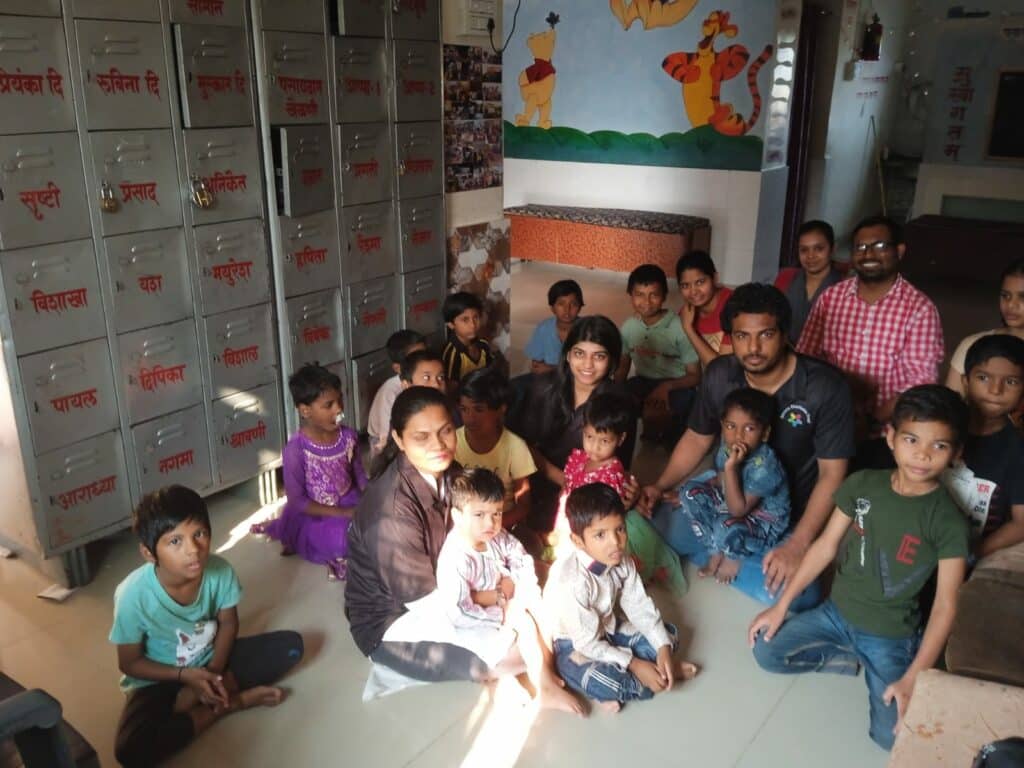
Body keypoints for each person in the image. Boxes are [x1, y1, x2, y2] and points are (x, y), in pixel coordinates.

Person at [748, 385, 970, 751]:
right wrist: (780, 606)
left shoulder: (947, 521)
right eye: (912, 439)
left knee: (889, 740)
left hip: (889, 637)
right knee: (765, 652)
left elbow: (947, 606)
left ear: (956, 453)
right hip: (835, 614)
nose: (922, 455)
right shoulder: (864, 484)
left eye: (939, 446)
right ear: (890, 437)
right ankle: (845, 658)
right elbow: (824, 548)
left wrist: (914, 677)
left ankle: (875, 662)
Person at [345, 387, 582, 713]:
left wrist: (518, 585)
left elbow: (485, 537)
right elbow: (431, 607)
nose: (438, 445)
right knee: (516, 644)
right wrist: (500, 607)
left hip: (462, 580)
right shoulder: (391, 514)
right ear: (399, 440)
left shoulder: (450, 471)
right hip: (396, 619)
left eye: (444, 431)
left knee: (554, 587)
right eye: (422, 437)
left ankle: (544, 661)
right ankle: (545, 671)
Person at [642, 283, 854, 607]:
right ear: (731, 337)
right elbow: (698, 437)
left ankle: (726, 551)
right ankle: (728, 552)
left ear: (785, 335)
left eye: (766, 335)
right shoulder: (720, 374)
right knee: (654, 515)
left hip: (780, 518)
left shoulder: (824, 388)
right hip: (725, 501)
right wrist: (659, 485)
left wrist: (798, 545)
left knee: (804, 595)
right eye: (741, 336)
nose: (753, 347)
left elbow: (832, 474)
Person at [111, 486, 304, 768]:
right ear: (149, 552)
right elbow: (130, 663)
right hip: (161, 679)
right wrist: (186, 677)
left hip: (213, 661)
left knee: (290, 647)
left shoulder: (220, 572)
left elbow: (228, 624)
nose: (193, 550)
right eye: (175, 541)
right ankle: (229, 705)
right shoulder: (132, 596)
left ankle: (206, 700)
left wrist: (212, 675)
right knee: (131, 749)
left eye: (199, 534)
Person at [797, 215, 944, 469]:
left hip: (884, 432)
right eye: (860, 248)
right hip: (828, 419)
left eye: (879, 246)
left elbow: (920, 383)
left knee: (867, 500)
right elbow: (806, 359)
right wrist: (838, 412)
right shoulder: (831, 299)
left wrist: (870, 419)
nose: (868, 255)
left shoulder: (919, 308)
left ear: (899, 251)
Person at [546, 483, 699, 712]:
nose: (615, 542)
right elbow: (587, 643)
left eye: (619, 529)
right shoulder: (573, 582)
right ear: (578, 541)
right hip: (574, 645)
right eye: (600, 535)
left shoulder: (621, 560)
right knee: (600, 680)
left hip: (609, 627)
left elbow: (639, 606)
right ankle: (656, 677)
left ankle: (655, 670)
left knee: (668, 637)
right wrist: (635, 664)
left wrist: (663, 648)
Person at [389, 469, 542, 669]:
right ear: (457, 516)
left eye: (497, 513)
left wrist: (519, 586)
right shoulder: (456, 557)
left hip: (503, 597)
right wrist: (502, 613)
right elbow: (460, 611)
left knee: (541, 616)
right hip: (477, 621)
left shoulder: (496, 535)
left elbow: (519, 556)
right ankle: (543, 681)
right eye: (479, 514)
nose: (491, 523)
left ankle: (545, 670)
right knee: (524, 636)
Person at [509, 315, 637, 532]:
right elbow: (519, 443)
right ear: (567, 355)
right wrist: (563, 479)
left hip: (586, 492)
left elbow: (619, 462)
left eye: (599, 356)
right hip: (534, 477)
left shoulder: (621, 403)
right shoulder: (543, 388)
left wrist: (629, 490)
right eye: (579, 353)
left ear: (613, 361)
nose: (587, 365)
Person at [253, 364, 366, 581]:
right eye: (329, 405)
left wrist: (371, 497)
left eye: (339, 400)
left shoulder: (348, 436)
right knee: (343, 537)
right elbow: (297, 501)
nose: (339, 409)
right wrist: (345, 513)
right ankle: (320, 549)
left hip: (349, 499)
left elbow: (358, 473)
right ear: (305, 411)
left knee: (377, 523)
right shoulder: (296, 449)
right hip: (316, 513)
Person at [678, 387, 790, 584]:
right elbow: (721, 479)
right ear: (722, 426)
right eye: (730, 426)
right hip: (733, 500)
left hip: (763, 521)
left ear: (765, 433)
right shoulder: (727, 445)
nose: (738, 436)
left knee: (724, 525)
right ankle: (714, 549)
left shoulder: (766, 466)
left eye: (749, 428)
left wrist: (731, 469)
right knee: (688, 492)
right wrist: (698, 491)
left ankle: (733, 556)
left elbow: (738, 510)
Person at [943, 334, 1024, 560]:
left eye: (1011, 382)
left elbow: (1021, 523)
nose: (995, 390)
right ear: (966, 382)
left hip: (970, 554)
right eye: (983, 378)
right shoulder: (939, 429)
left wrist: (970, 555)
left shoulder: (1018, 450)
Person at [616, 263, 700, 444]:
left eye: (654, 295)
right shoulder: (629, 326)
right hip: (643, 381)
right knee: (621, 400)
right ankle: (640, 436)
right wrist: (613, 393)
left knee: (670, 426)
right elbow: (623, 367)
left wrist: (665, 387)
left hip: (677, 384)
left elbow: (695, 376)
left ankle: (668, 434)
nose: (646, 302)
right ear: (630, 295)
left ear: (664, 297)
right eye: (639, 295)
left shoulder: (679, 327)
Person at [547, 392, 633, 560]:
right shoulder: (580, 457)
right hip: (569, 518)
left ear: (620, 439)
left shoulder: (612, 474)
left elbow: (604, 519)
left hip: (588, 530)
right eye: (589, 437)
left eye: (604, 441)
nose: (594, 446)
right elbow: (567, 484)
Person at [455, 367, 536, 531]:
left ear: (501, 409)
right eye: (464, 409)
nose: (470, 418)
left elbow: (523, 505)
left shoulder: (515, 446)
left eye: (479, 409)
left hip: (502, 525)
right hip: (462, 527)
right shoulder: (452, 442)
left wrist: (491, 526)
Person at [946, 258, 1024, 400]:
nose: (1011, 305)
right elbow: (949, 407)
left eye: (1023, 298)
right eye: (1005, 296)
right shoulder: (973, 344)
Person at [776, 220, 845, 344]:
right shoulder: (786, 278)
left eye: (818, 249)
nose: (810, 256)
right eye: (804, 250)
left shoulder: (844, 286)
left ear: (833, 249)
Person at [368, 330, 427, 459]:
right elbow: (386, 431)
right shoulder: (391, 390)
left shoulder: (424, 381)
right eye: (415, 359)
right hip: (383, 439)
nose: (423, 362)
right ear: (397, 368)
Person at [676, 250, 733, 368]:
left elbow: (721, 371)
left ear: (715, 278)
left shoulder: (733, 306)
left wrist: (689, 329)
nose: (693, 292)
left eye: (700, 282)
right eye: (685, 285)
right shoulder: (685, 313)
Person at [525, 279, 584, 375]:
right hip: (549, 380)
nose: (567, 310)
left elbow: (587, 369)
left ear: (580, 307)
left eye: (573, 304)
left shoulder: (588, 329)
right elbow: (536, 365)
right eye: (561, 304)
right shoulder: (544, 328)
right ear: (552, 308)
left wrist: (553, 369)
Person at [441, 291, 494, 391]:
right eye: (465, 320)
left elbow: (489, 374)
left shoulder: (483, 345)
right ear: (451, 324)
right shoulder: (452, 353)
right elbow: (452, 390)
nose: (473, 325)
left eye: (476, 317)